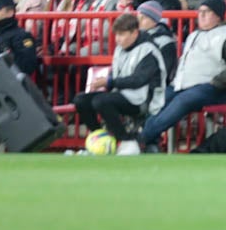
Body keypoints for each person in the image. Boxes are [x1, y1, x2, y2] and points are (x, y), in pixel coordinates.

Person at [136, 0, 226, 151]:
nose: (200, 15)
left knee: (184, 100)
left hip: (215, 88)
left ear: (218, 15)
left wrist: (216, 82)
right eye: (199, 11)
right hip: (182, 85)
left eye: (206, 12)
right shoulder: (193, 35)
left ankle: (140, 139)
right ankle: (150, 143)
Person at [71, 12, 167, 155]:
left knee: (101, 101)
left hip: (144, 99)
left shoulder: (148, 50)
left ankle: (126, 141)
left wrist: (110, 82)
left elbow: (138, 80)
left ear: (134, 33)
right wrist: (106, 82)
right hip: (122, 94)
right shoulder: (120, 49)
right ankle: (101, 139)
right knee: (80, 100)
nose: (117, 39)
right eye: (116, 35)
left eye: (121, 35)